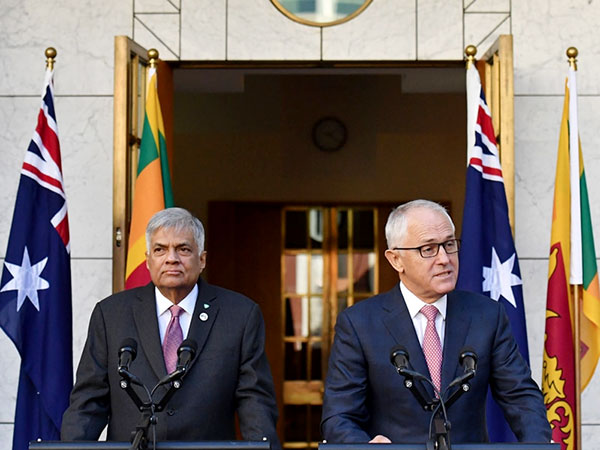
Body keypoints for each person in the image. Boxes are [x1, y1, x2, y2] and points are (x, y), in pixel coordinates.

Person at [321, 199, 550, 444]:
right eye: (428, 249)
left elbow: (521, 398)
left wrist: (538, 445)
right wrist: (365, 447)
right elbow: (339, 417)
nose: (444, 258)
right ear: (395, 259)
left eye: (449, 244)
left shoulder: (487, 316)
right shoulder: (359, 324)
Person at [61, 207, 281, 448]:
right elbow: (89, 402)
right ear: (147, 260)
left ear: (202, 259)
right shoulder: (111, 314)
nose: (171, 258)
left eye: (183, 249)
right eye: (160, 249)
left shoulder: (240, 315)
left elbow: (255, 402)